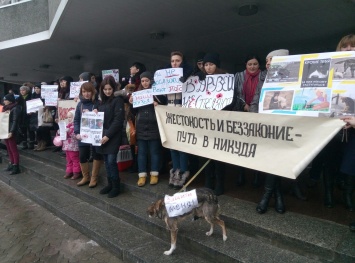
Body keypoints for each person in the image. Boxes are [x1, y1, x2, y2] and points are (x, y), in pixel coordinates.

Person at [223, 54, 267, 187]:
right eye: (249, 64)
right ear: (246, 65)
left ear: (259, 65)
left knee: (257, 146)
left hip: (259, 114)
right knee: (241, 146)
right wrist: (244, 105)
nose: (252, 66)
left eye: (255, 64)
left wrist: (254, 107)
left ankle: (256, 175)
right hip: (241, 112)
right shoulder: (239, 76)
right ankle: (241, 173)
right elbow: (235, 93)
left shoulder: (264, 76)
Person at [129, 71, 167, 187]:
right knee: (141, 153)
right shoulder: (138, 93)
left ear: (151, 81)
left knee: (154, 152)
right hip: (141, 127)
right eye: (143, 81)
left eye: (147, 80)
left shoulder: (158, 93)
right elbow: (133, 112)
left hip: (154, 127)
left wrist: (157, 103)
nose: (145, 83)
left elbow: (164, 105)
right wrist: (131, 103)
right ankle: (142, 175)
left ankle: (154, 174)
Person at [198, 52, 228, 195]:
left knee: (218, 156)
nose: (208, 67)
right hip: (204, 123)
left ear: (217, 66)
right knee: (205, 154)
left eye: (211, 64)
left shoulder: (225, 79)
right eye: (206, 65)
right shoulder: (199, 80)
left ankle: (220, 183)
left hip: (218, 122)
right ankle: (208, 182)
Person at [166, 51, 193, 189]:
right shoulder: (165, 79)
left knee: (182, 145)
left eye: (177, 60)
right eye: (173, 61)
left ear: (182, 62)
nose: (175, 63)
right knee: (172, 146)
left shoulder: (189, 77)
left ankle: (183, 172)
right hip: (170, 116)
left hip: (182, 116)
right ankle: (175, 172)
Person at [95, 76, 125, 198]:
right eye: (105, 89)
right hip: (102, 135)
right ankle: (110, 184)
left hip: (112, 135)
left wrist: (108, 135)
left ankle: (116, 186)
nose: (107, 91)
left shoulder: (117, 100)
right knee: (106, 161)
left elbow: (118, 120)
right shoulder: (101, 101)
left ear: (113, 88)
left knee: (112, 161)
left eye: (109, 89)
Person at [74, 82, 103, 188]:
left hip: (95, 134)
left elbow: (102, 118)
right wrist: (77, 132)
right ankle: (86, 176)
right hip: (83, 134)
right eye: (84, 92)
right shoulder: (80, 104)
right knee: (82, 156)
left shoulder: (98, 103)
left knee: (96, 154)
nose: (86, 94)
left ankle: (94, 177)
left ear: (93, 92)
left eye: (88, 91)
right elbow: (76, 120)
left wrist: (96, 112)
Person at [2, 93, 21, 175]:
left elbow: (14, 121)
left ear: (10, 101)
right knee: (8, 148)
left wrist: (11, 131)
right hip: (5, 130)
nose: (4, 101)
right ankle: (11, 163)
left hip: (11, 131)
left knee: (13, 149)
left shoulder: (15, 108)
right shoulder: (6, 108)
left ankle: (16, 165)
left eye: (5, 100)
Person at [63, 110, 81, 180]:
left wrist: (69, 131)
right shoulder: (67, 125)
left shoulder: (75, 126)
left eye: (70, 117)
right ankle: (69, 171)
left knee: (75, 159)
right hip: (67, 146)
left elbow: (75, 136)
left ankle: (76, 172)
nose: (69, 119)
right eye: (68, 117)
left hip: (74, 147)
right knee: (68, 159)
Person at [17, 85, 35, 149]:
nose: (22, 92)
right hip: (22, 116)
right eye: (21, 90)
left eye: (23, 90)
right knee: (23, 130)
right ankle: (25, 143)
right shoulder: (19, 98)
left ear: (26, 90)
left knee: (30, 130)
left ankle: (31, 143)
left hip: (29, 116)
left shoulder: (31, 96)